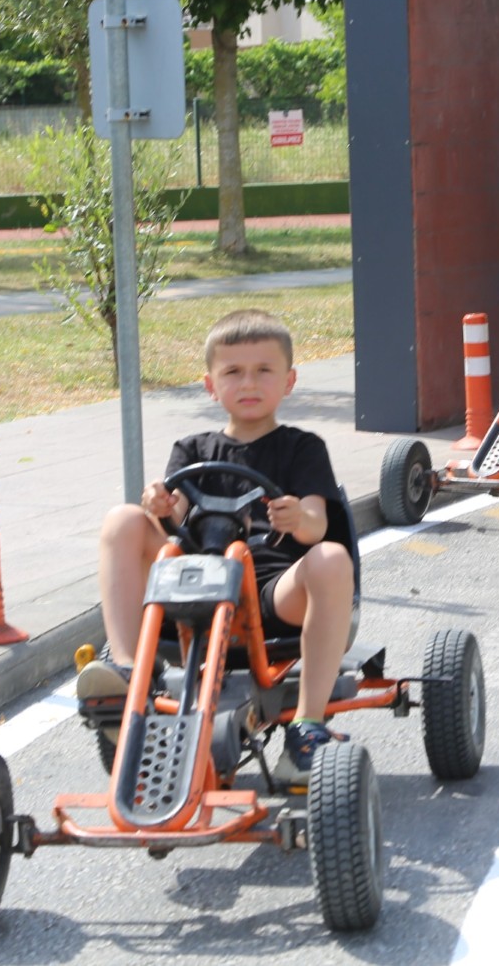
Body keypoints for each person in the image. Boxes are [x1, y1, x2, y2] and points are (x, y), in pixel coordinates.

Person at [78, 308, 353, 780]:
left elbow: (316, 524)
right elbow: (173, 518)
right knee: (123, 519)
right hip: (193, 593)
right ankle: (126, 672)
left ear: (288, 381)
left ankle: (308, 725)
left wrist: (297, 515)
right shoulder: (193, 449)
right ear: (211, 385)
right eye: (233, 373)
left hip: (270, 594)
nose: (249, 383)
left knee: (330, 557)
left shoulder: (301, 448)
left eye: (263, 371)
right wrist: (159, 506)